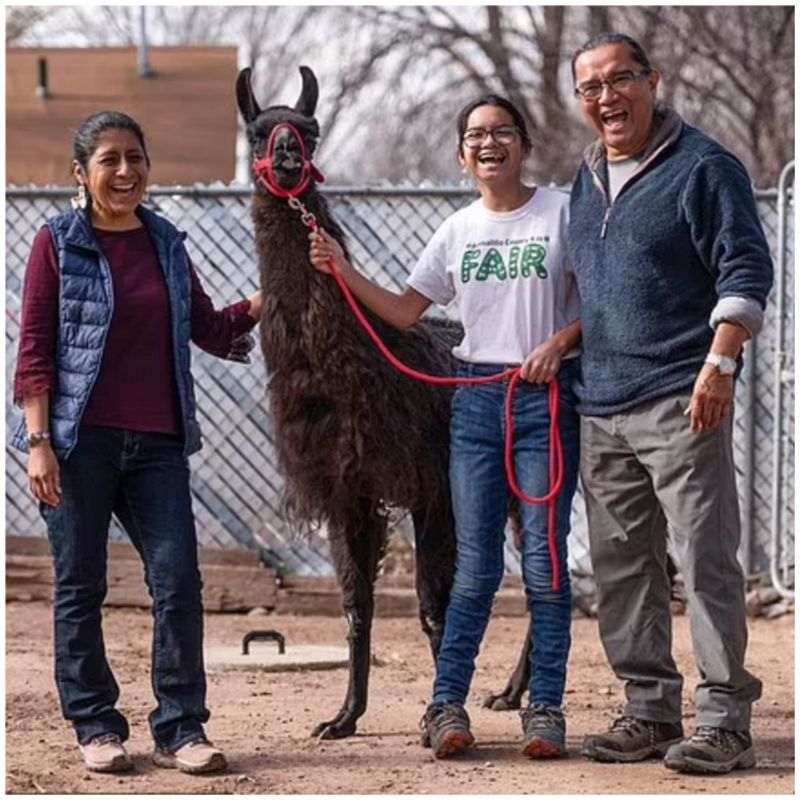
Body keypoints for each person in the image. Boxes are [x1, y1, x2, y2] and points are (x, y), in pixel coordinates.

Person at [308, 95, 581, 759]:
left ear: (524, 144)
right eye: (477, 135)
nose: (490, 143)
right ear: (463, 154)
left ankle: (544, 708)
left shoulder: (564, 214)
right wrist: (343, 271)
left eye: (503, 132)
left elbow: (603, 302)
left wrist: (562, 342)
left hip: (543, 402)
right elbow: (404, 312)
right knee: (475, 568)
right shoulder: (456, 230)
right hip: (476, 403)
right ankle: (446, 705)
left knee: (544, 566)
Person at [12, 111, 263, 775]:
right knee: (81, 584)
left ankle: (181, 728)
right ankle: (95, 724)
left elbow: (208, 327)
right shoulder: (58, 243)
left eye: (135, 158)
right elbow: (35, 350)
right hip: (77, 443)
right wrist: (39, 442)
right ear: (81, 173)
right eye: (110, 160)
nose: (125, 172)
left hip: (157, 447)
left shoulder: (167, 242)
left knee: (178, 579)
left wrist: (277, 294)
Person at [567, 33, 772, 775]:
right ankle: (649, 709)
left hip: (684, 398)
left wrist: (720, 363)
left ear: (653, 81)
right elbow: (593, 294)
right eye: (591, 87)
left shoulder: (704, 166)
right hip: (601, 402)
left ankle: (725, 722)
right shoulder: (585, 177)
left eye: (621, 80)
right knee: (621, 568)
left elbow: (746, 269)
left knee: (705, 560)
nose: (606, 97)